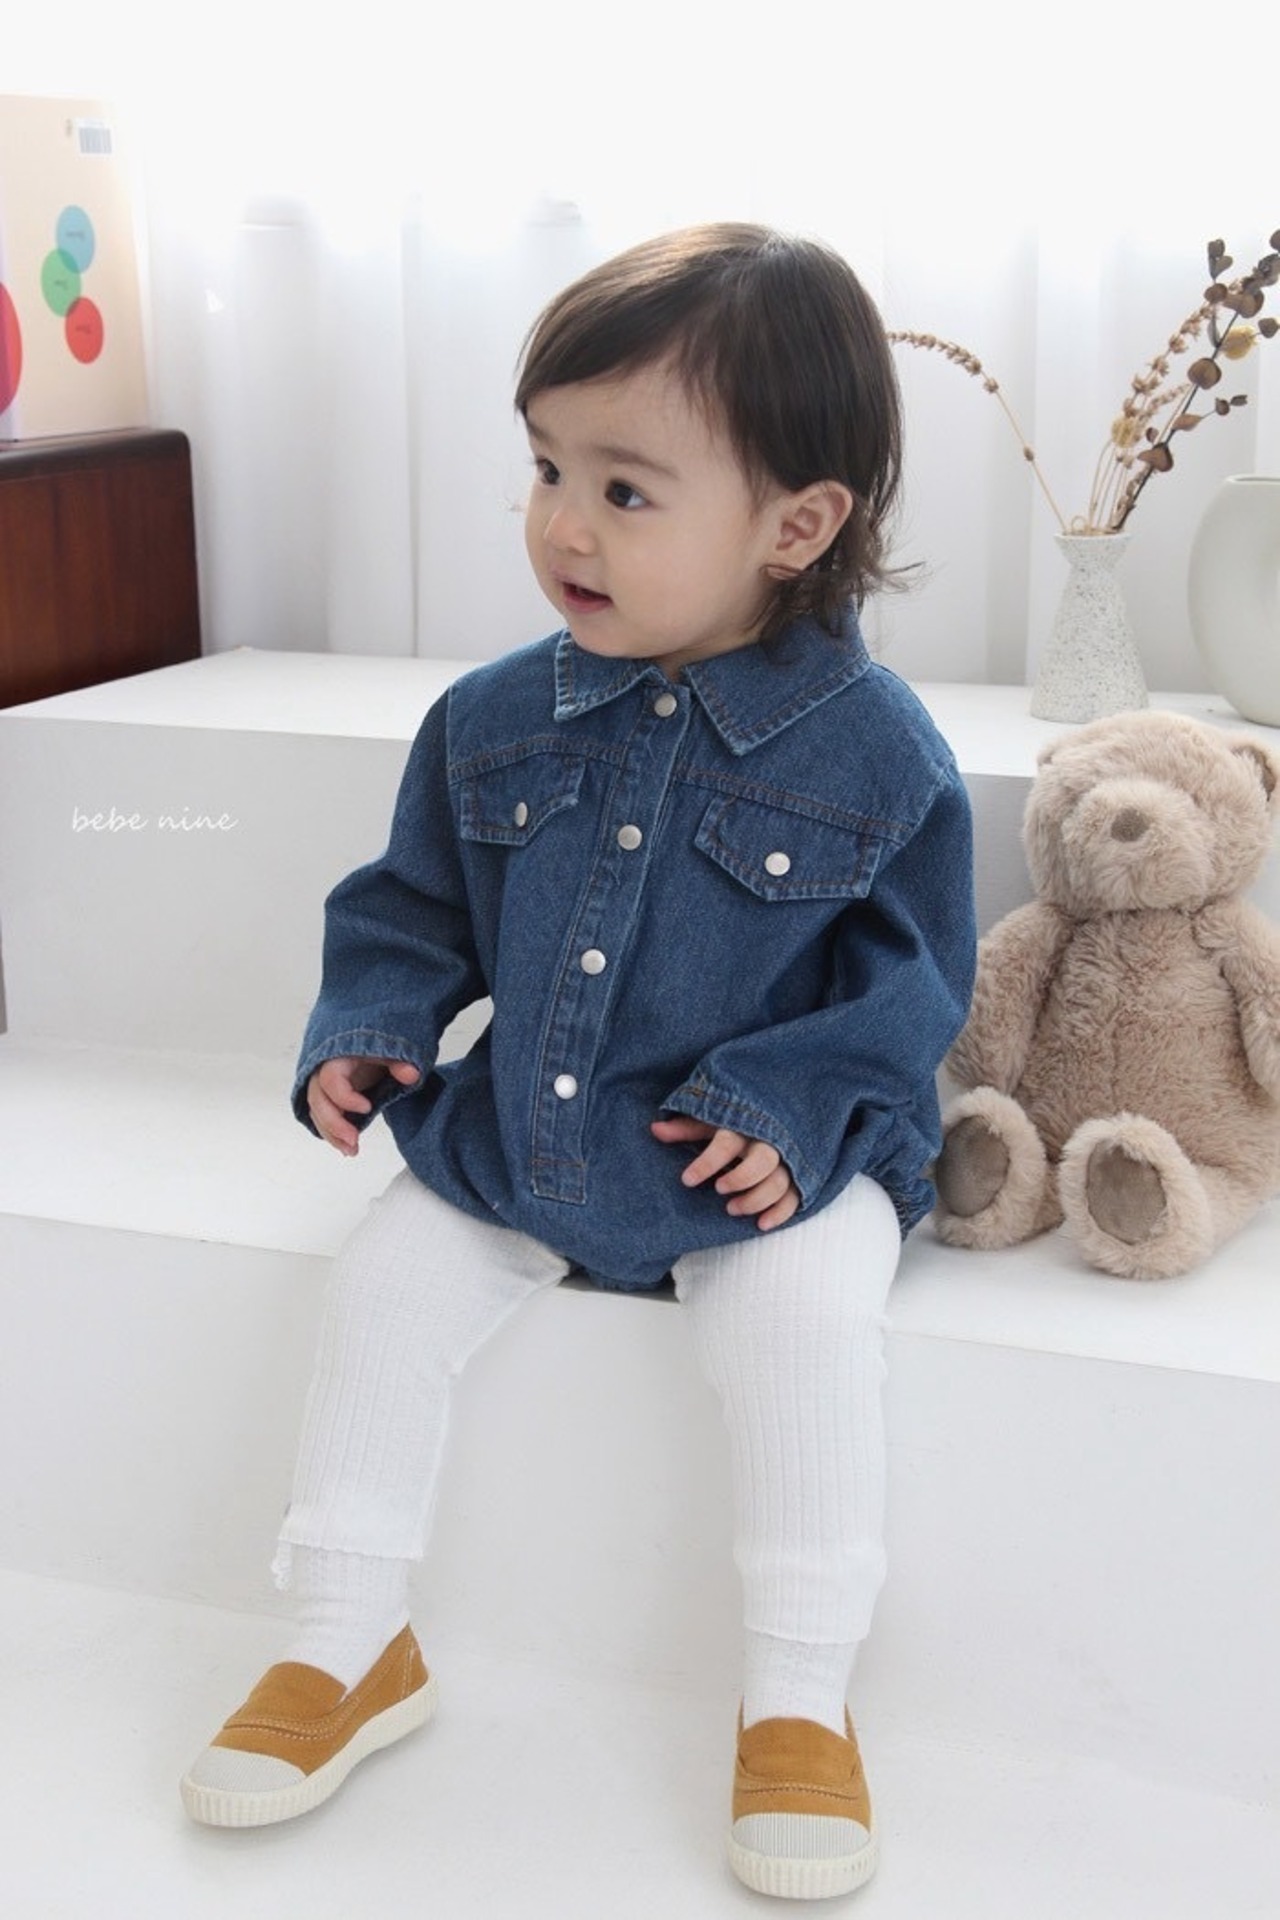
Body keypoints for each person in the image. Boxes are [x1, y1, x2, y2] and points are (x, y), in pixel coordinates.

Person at [180, 222, 976, 1901]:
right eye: (545, 467)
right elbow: (407, 908)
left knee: (803, 1327)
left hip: (766, 1165)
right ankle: (343, 1636)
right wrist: (372, 1032)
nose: (562, 524)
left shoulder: (877, 751)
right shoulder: (491, 719)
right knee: (387, 1286)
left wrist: (792, 1109)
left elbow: (911, 982)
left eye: (625, 490)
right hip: (525, 1136)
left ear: (796, 526)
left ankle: (800, 1690)